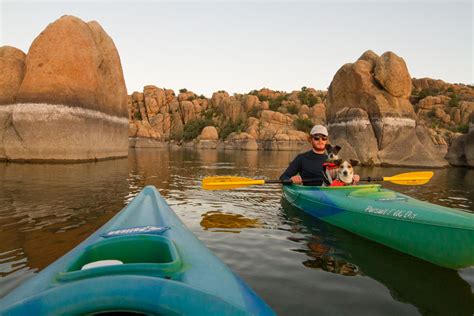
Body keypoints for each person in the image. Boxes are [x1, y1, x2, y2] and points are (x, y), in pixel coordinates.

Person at [279, 125, 359, 186]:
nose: (320, 140)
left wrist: (352, 178)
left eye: (324, 138)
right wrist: (292, 179)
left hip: (329, 195)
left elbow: (340, 181)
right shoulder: (301, 158)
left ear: (326, 140)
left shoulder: (334, 162)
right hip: (308, 194)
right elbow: (283, 177)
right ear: (310, 139)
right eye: (317, 138)